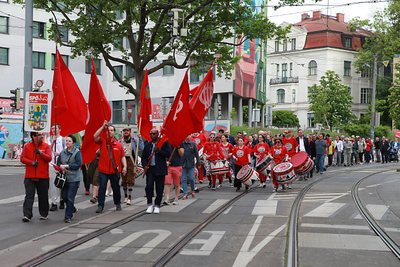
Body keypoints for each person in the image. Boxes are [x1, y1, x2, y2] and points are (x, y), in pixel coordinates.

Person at [94, 121, 127, 213]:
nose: (110, 132)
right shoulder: (103, 142)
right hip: (103, 170)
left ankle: (117, 203)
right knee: (102, 188)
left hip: (114, 171)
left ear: (114, 132)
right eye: (109, 130)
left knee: (116, 188)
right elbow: (95, 136)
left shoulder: (119, 145)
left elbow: (122, 157)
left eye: (112, 130)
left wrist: (125, 167)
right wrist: (102, 126)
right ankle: (100, 205)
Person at [20, 132, 52, 222]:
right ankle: (27, 215)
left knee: (43, 196)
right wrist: (32, 162)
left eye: (42, 135)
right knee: (29, 196)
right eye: (39, 135)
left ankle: (44, 213)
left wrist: (41, 154)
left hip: (43, 176)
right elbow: (22, 158)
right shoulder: (27, 146)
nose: (41, 136)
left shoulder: (46, 146)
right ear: (33, 137)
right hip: (30, 176)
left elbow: (49, 158)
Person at [141, 129, 171, 214]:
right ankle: (150, 204)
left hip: (160, 170)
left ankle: (157, 205)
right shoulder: (148, 145)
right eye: (150, 134)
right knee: (149, 187)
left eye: (154, 133)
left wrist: (159, 151)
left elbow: (168, 153)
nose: (152, 135)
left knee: (159, 188)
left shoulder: (163, 143)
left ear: (157, 134)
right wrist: (144, 166)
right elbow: (143, 157)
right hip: (150, 169)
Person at [57, 135, 82, 223]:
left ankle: (68, 216)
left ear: (73, 143)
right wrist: (60, 167)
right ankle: (72, 208)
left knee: (70, 197)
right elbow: (58, 162)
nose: (67, 142)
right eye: (66, 141)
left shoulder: (77, 152)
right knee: (64, 197)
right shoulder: (63, 152)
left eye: (69, 141)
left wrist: (67, 166)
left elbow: (78, 164)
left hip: (74, 178)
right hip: (64, 178)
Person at [120, 126, 144, 205]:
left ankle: (129, 197)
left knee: (130, 180)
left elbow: (141, 148)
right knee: (124, 179)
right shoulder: (120, 141)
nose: (126, 132)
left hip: (131, 161)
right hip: (123, 161)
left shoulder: (135, 140)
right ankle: (125, 196)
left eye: (127, 130)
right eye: (124, 130)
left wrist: (140, 140)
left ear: (130, 132)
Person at [48, 124, 66, 212]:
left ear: (60, 129)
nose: (54, 130)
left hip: (61, 165)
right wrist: (53, 142)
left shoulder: (63, 139)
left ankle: (62, 199)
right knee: (53, 185)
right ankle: (54, 202)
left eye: (55, 128)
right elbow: (48, 149)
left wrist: (59, 154)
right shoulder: (50, 139)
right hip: (52, 164)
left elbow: (66, 151)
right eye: (52, 128)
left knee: (61, 183)